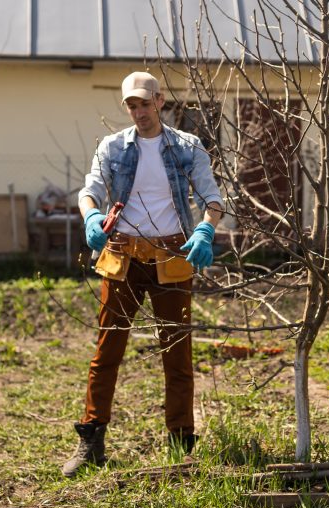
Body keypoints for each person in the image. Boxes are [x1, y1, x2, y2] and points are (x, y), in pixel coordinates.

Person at [62, 71, 224, 477]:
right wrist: (92, 216)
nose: (139, 112)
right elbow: (90, 189)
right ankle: (92, 440)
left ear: (160, 101)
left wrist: (206, 228)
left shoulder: (186, 146)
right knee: (108, 349)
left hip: (173, 255)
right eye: (131, 105)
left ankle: (181, 442)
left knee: (177, 351)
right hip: (123, 257)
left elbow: (212, 196)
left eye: (144, 103)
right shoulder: (112, 146)